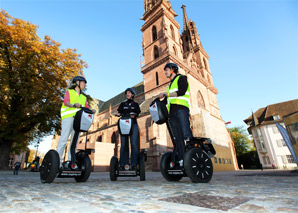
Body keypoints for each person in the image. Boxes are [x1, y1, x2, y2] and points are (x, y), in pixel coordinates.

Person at [158, 62, 193, 168]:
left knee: (185, 133)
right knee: (177, 137)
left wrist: (166, 94)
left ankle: (191, 156)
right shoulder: (170, 85)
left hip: (181, 109)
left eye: (166, 70)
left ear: (173, 69)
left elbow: (181, 91)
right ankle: (182, 159)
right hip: (172, 113)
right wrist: (156, 102)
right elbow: (166, 99)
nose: (165, 72)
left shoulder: (182, 78)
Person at [57, 76, 96, 168]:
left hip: (78, 119)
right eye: (83, 83)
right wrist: (74, 105)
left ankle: (71, 161)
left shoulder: (83, 97)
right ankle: (58, 161)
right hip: (68, 117)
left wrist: (91, 110)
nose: (85, 85)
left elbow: (86, 106)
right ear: (77, 82)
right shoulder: (69, 92)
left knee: (74, 142)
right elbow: (66, 102)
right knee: (64, 139)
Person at [115, 88, 141, 171]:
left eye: (129, 93)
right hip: (124, 125)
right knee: (123, 145)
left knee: (133, 144)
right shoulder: (123, 104)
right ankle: (123, 164)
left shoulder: (136, 104)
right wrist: (118, 114)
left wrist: (134, 114)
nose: (127, 94)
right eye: (127, 93)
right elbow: (119, 112)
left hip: (133, 125)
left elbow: (138, 113)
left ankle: (134, 164)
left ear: (133, 94)